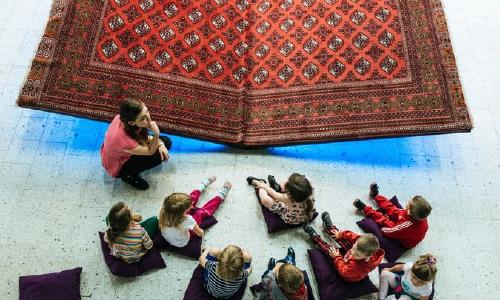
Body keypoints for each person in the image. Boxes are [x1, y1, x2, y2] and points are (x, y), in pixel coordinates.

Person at [101, 98, 172, 190]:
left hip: (117, 152)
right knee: (158, 156)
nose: (149, 119)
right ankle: (128, 176)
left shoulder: (124, 119)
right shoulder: (123, 140)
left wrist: (161, 144)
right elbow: (150, 151)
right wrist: (156, 134)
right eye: (143, 118)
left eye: (147, 112)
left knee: (166, 142)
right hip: (118, 165)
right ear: (131, 122)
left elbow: (145, 137)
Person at [304, 211, 384, 282]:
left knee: (331, 251)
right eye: (354, 247)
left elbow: (343, 271)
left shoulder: (358, 267)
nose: (352, 252)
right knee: (342, 238)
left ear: (367, 256)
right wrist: (341, 234)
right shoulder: (363, 244)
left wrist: (337, 257)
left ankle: (316, 238)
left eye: (357, 254)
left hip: (346, 271)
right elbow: (353, 236)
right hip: (352, 261)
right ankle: (330, 228)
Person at [158, 176, 231, 247]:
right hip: (183, 242)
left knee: (188, 200)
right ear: (184, 212)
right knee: (202, 212)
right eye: (189, 207)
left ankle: (204, 184)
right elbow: (200, 233)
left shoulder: (164, 212)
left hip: (171, 238)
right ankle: (222, 193)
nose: (192, 207)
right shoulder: (188, 220)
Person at [354, 183, 431, 248]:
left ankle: (364, 208)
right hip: (405, 224)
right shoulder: (421, 214)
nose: (407, 202)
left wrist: (382, 226)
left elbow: (390, 231)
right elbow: (396, 211)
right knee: (391, 208)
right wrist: (394, 213)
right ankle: (376, 196)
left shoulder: (407, 225)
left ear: (409, 212)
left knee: (382, 218)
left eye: (408, 203)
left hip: (402, 239)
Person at [247, 173, 316, 225]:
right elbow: (302, 178)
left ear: (290, 193)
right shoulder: (311, 188)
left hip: (291, 218)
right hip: (306, 216)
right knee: (282, 188)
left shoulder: (288, 199)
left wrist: (264, 186)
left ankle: (259, 182)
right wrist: (284, 183)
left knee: (265, 200)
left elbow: (273, 194)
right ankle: (277, 187)